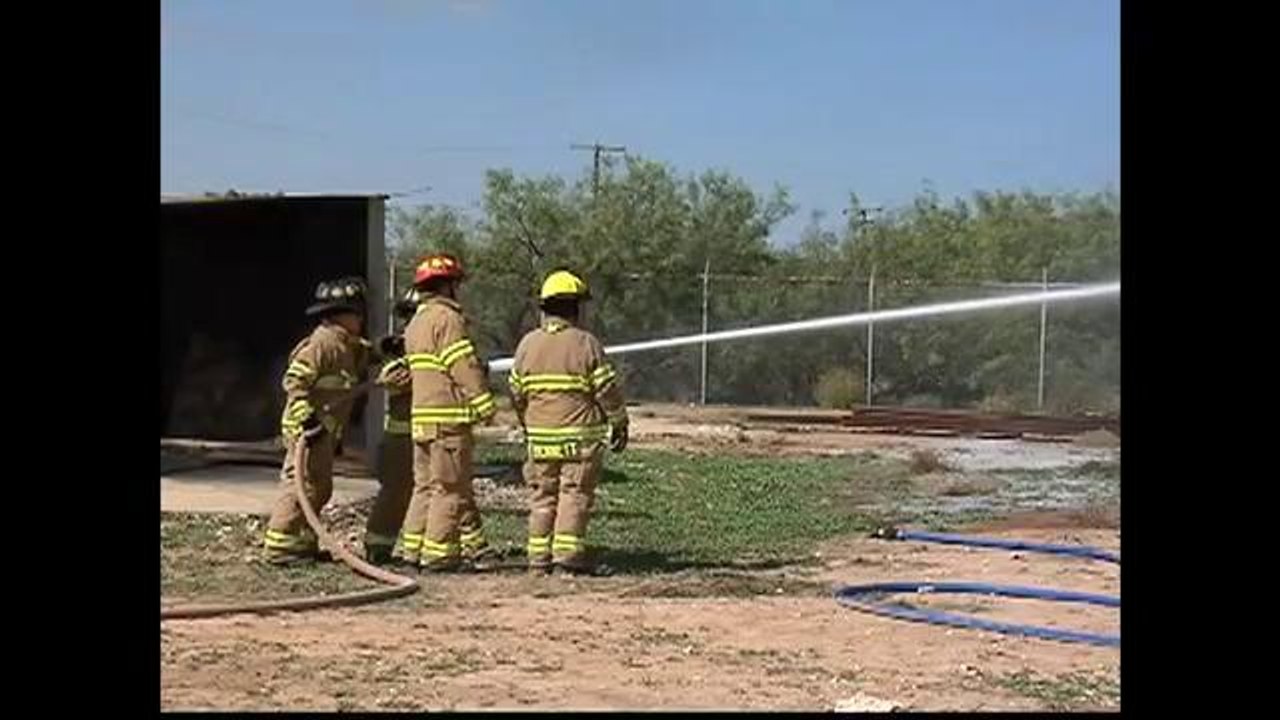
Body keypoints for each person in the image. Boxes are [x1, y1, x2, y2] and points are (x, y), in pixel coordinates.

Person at [507, 269, 628, 575]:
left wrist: (529, 424)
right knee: (574, 494)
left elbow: (516, 392)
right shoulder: (586, 344)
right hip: (579, 441)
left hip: (540, 440)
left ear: (545, 307)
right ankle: (567, 557)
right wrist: (619, 420)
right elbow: (605, 390)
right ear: (575, 307)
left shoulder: (526, 345)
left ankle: (537, 560)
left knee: (542, 497)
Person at [397, 254, 497, 572]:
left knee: (424, 486)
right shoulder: (448, 319)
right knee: (449, 488)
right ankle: (439, 554)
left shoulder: (415, 323)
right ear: (448, 286)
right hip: (448, 419)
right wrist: (483, 402)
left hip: (422, 418)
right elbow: (462, 365)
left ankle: (411, 550)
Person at [263, 277, 371, 565]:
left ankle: (302, 542)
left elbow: (365, 354)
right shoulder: (321, 344)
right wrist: (307, 420)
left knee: (319, 488)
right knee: (301, 485)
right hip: (308, 429)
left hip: (323, 431)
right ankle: (281, 545)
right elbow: (294, 381)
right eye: (357, 313)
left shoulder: (344, 345)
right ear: (342, 315)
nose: (361, 319)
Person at [362, 288, 420, 565]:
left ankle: (426, 548)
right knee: (397, 492)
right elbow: (389, 377)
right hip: (402, 438)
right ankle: (378, 548)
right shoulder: (402, 352)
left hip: (424, 435)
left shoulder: (422, 345)